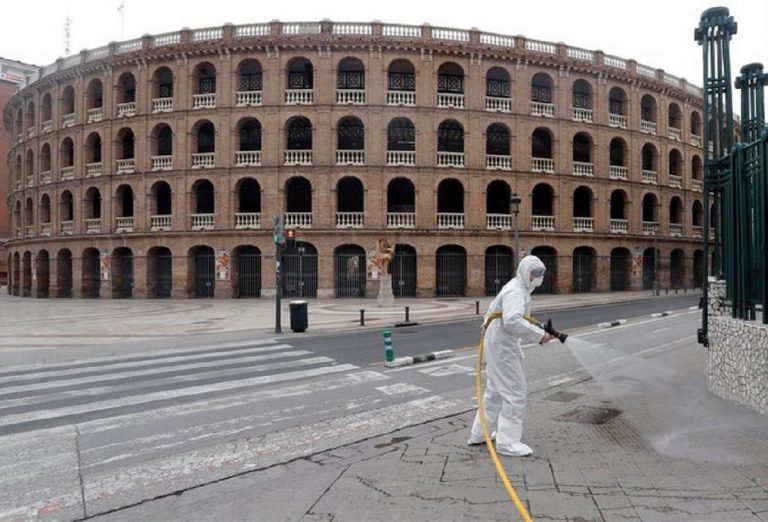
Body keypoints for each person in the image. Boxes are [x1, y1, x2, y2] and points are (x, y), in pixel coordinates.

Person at [468, 255, 554, 457]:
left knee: (495, 391)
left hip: (498, 342)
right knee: (515, 392)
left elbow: (494, 312)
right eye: (535, 273)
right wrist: (540, 335)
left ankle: (480, 433)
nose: (538, 277)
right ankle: (508, 442)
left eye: (541, 273)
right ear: (525, 272)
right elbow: (512, 321)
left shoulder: (518, 287)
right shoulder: (516, 290)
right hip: (502, 346)